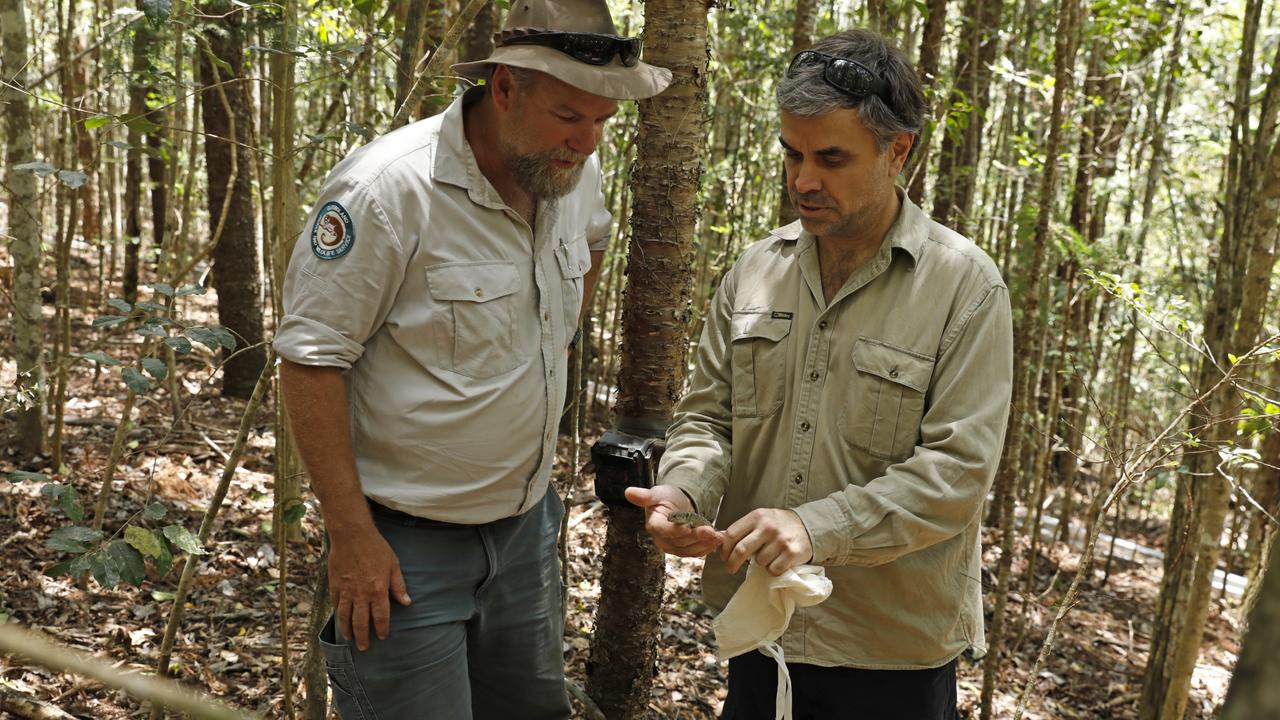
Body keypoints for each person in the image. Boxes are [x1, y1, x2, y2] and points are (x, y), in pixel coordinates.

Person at [274, 2, 671, 717]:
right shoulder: (388, 191)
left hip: (525, 530)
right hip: (402, 547)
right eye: (567, 116)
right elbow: (310, 362)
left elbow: (593, 248)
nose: (585, 141)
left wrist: (540, 343)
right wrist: (352, 536)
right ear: (506, 87)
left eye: (601, 122)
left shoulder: (574, 171)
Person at [625, 28, 1013, 719]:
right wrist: (683, 492)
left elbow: (957, 473)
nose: (803, 180)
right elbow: (709, 418)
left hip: (890, 652)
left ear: (899, 151)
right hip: (761, 632)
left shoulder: (964, 287)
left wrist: (816, 526)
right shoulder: (756, 270)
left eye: (831, 158)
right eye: (792, 154)